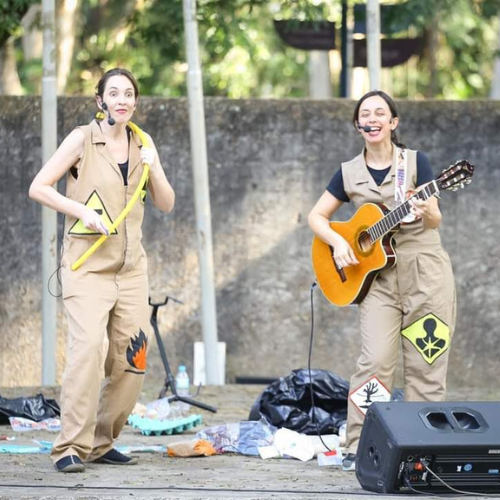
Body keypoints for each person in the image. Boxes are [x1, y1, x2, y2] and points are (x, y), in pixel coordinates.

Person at [29, 68, 175, 473]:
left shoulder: (143, 144)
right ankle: (69, 447)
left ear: (135, 102)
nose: (122, 100)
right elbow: (38, 186)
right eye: (114, 93)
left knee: (133, 359)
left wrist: (155, 164)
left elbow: (166, 203)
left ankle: (100, 441)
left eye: (129, 93)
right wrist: (81, 211)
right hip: (86, 269)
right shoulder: (82, 139)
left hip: (131, 271)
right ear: (100, 101)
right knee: (88, 351)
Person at [308, 90, 456, 472]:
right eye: (364, 114)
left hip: (426, 273)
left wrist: (425, 208)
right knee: (373, 361)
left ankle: (426, 450)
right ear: (359, 125)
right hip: (378, 281)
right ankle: (359, 445)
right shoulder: (347, 172)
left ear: (393, 122)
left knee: (426, 363)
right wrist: (339, 241)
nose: (372, 118)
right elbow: (316, 218)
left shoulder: (415, 162)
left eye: (380, 113)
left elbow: (436, 219)